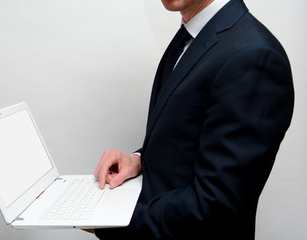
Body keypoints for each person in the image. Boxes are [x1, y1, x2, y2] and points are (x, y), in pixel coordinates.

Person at [91, 0, 294, 239]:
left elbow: (217, 206)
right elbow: (187, 139)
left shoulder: (254, 55)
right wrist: (140, 160)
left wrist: (109, 221)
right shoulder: (192, 37)